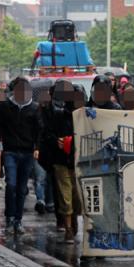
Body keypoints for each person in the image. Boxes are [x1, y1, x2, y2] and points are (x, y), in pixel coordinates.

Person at [0, 76, 42, 234]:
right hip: (10, 151)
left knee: (22, 188)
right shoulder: (5, 106)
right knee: (11, 184)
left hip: (27, 152)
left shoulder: (35, 108)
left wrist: (37, 147)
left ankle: (18, 220)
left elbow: (39, 130)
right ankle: (9, 218)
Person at [41, 80, 82, 244]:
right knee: (65, 197)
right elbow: (47, 133)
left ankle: (73, 221)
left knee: (77, 197)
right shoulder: (58, 115)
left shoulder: (86, 117)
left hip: (79, 162)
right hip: (61, 161)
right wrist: (56, 141)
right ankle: (69, 229)